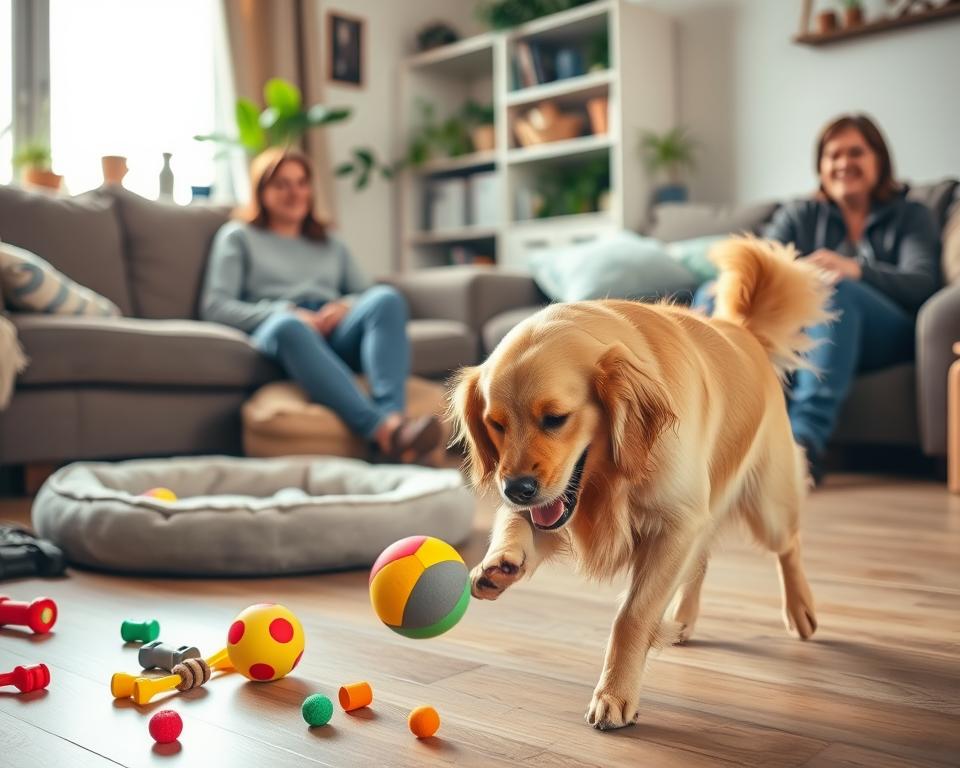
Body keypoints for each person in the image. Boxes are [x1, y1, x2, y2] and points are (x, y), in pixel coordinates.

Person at [694, 113, 940, 483]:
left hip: (888, 335)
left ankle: (803, 447)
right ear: (821, 166)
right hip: (808, 335)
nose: (843, 164)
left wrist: (854, 268)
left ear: (879, 159)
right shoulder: (800, 214)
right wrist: (708, 302)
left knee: (835, 288)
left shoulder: (911, 214)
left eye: (855, 153)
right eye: (833, 155)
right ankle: (717, 447)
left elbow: (922, 282)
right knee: (718, 294)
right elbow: (755, 267)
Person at [200, 147, 441, 463]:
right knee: (290, 327)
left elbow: (365, 293)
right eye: (281, 184)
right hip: (282, 329)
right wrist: (284, 312)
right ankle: (383, 432)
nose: (294, 193)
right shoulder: (238, 236)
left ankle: (395, 418)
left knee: (387, 298)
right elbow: (215, 306)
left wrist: (345, 306)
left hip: (334, 330)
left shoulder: (330, 241)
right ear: (261, 191)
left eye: (301, 183)